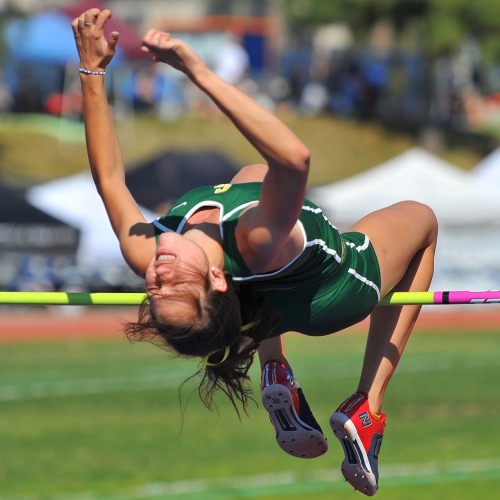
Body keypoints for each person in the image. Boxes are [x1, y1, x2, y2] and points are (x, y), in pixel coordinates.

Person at [72, 8, 438, 497]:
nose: (158, 272)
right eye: (176, 281)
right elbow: (293, 159)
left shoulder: (150, 251)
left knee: (248, 176)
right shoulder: (256, 238)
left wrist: (92, 70)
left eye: (155, 287)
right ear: (216, 280)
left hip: (270, 297)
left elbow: (110, 179)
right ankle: (367, 406)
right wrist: (200, 73)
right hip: (337, 286)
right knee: (424, 220)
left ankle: (274, 366)